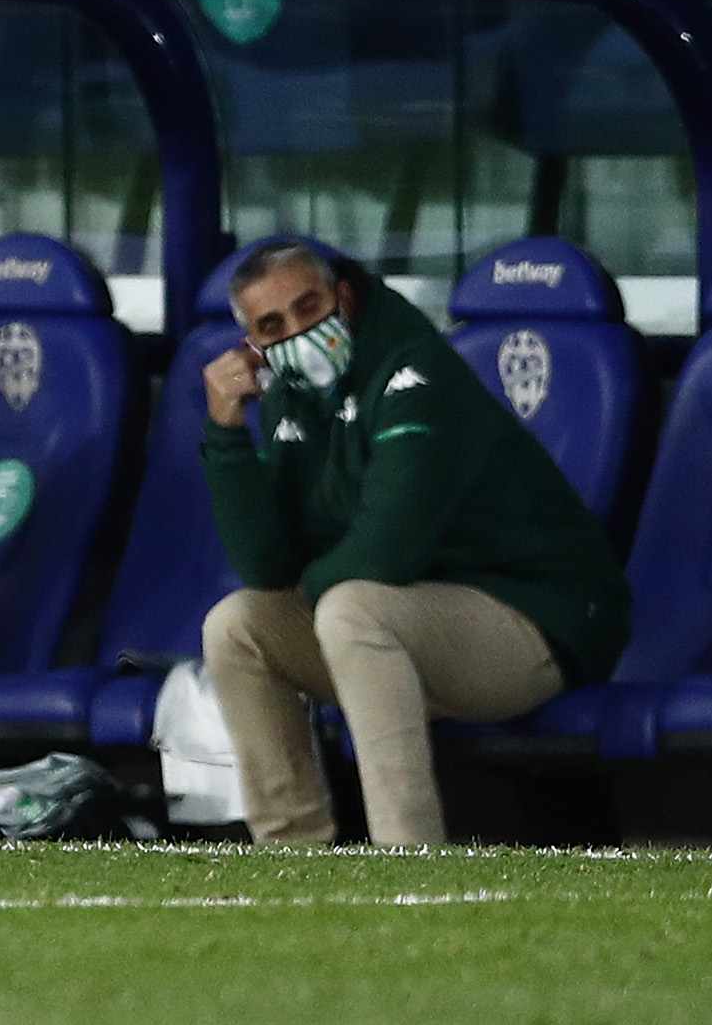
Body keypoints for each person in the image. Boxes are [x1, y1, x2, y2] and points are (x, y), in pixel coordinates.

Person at [197, 238, 631, 847]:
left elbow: (387, 553)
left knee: (351, 608)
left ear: (344, 298)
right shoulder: (292, 397)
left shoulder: (417, 370)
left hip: (535, 625)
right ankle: (292, 852)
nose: (297, 330)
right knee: (236, 625)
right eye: (273, 325)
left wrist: (312, 590)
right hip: (415, 629)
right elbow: (265, 566)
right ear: (253, 343)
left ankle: (406, 856)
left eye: (309, 306)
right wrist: (225, 429)